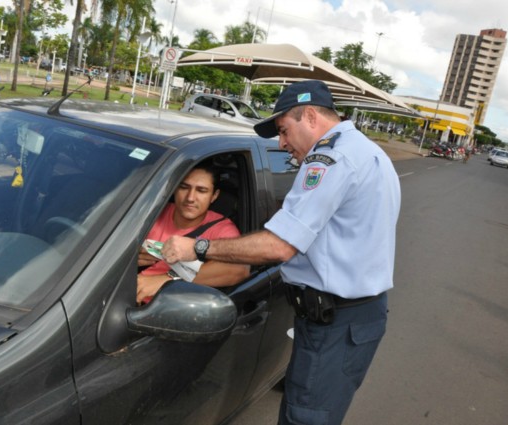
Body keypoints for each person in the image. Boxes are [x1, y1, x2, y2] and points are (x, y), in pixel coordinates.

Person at [161, 80, 401, 425]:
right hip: (350, 320)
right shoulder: (366, 151)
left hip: (335, 324)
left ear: (309, 115)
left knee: (305, 418)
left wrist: (196, 246)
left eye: (284, 131)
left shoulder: (331, 159)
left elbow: (280, 245)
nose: (282, 144)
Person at [137, 161, 249, 304]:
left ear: (214, 196)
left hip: (166, 312)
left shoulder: (221, 230)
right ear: (175, 188)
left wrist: (167, 279)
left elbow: (239, 269)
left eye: (201, 191)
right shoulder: (153, 212)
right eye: (184, 187)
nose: (190, 198)